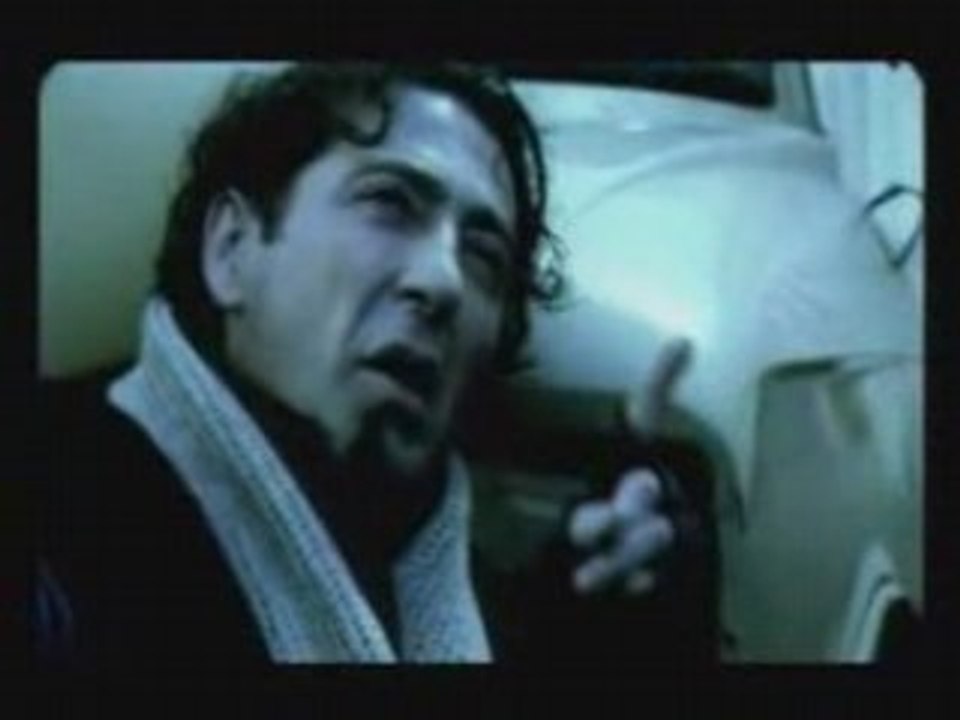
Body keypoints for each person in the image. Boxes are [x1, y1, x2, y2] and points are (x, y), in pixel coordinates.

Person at [35, 62, 712, 663]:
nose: (444, 281)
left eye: (483, 255)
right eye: (389, 202)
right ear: (232, 249)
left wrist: (613, 614)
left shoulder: (465, 596)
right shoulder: (62, 522)